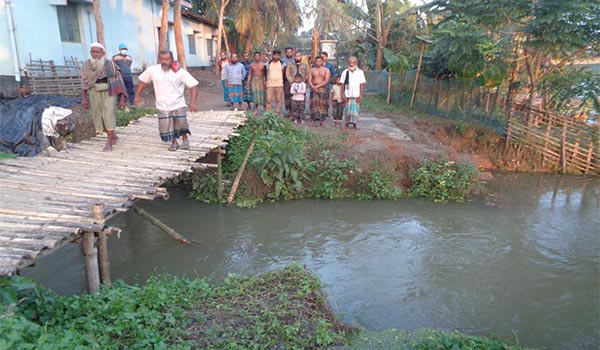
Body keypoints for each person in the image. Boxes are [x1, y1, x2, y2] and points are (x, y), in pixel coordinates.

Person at [134, 50, 198, 151]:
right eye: (162, 59)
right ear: (159, 59)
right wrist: (137, 95)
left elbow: (193, 85)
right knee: (167, 125)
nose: (164, 62)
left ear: (172, 59)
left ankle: (185, 139)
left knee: (181, 123)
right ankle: (174, 142)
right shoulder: (153, 70)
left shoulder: (180, 72)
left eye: (167, 59)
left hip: (178, 103)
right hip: (162, 104)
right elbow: (143, 81)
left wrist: (192, 102)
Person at [81, 42, 127, 151]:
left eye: (98, 52)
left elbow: (119, 81)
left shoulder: (110, 64)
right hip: (93, 92)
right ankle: (113, 136)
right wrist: (84, 98)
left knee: (108, 115)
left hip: (109, 92)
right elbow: (83, 82)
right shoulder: (86, 65)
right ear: (90, 52)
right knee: (98, 115)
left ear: (102, 53)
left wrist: (122, 99)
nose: (95, 54)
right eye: (93, 52)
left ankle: (109, 143)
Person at [340, 56, 366, 129]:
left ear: (356, 63)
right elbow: (342, 83)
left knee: (355, 109)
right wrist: (343, 94)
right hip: (347, 93)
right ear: (348, 63)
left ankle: (355, 124)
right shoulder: (345, 72)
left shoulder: (360, 72)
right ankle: (347, 123)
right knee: (347, 109)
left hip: (356, 93)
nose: (351, 63)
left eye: (353, 62)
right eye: (350, 62)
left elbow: (361, 83)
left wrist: (360, 94)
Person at [308, 56, 331, 127]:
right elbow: (309, 79)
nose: (318, 62)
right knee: (313, 104)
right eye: (317, 61)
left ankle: (322, 121)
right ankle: (313, 121)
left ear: (322, 61)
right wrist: (313, 87)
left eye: (319, 61)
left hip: (322, 88)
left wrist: (317, 87)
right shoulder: (312, 70)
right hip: (313, 87)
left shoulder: (326, 70)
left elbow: (326, 80)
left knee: (322, 104)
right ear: (315, 61)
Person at [265, 49, 284, 114]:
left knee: (278, 99)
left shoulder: (282, 64)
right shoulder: (268, 63)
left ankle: (277, 112)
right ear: (272, 55)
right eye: (275, 55)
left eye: (278, 55)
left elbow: (283, 73)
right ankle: (268, 113)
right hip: (270, 84)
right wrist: (266, 82)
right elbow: (266, 73)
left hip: (279, 84)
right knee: (268, 100)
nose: (276, 56)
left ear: (280, 56)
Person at [281, 47, 294, 115]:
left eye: (290, 52)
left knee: (294, 95)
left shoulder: (295, 60)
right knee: (287, 96)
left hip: (295, 81)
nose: (289, 53)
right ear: (285, 53)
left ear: (292, 52)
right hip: (285, 81)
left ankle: (294, 110)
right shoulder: (282, 60)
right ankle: (289, 110)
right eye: (287, 52)